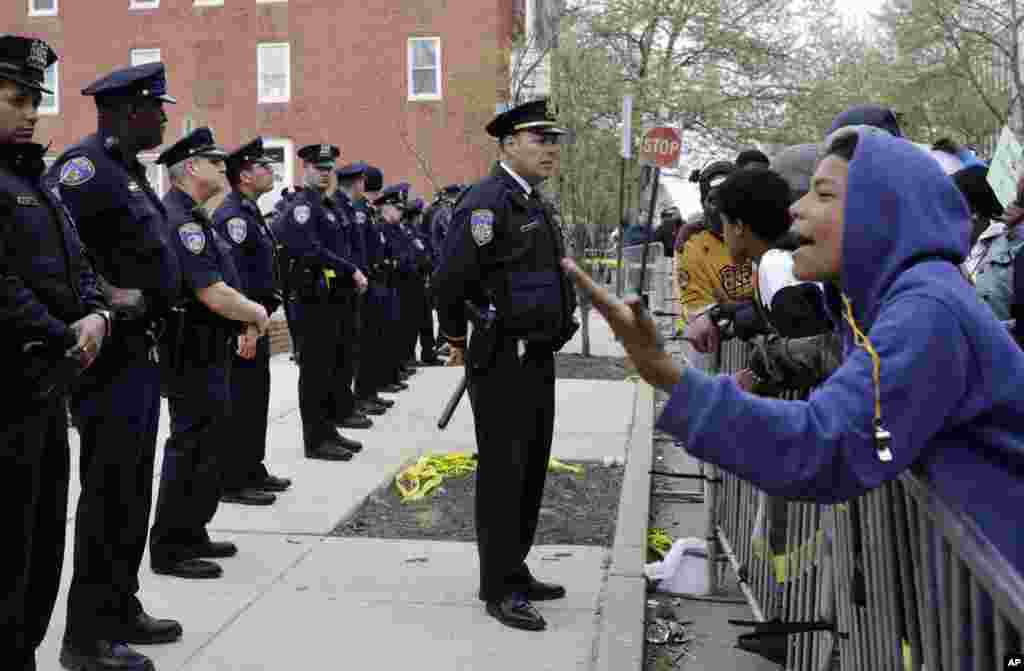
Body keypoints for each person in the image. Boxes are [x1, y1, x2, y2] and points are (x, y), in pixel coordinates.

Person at [565, 126, 1024, 575]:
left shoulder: (926, 310)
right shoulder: (880, 302)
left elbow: (823, 444)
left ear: (881, 212)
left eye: (822, 195)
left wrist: (668, 375)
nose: (796, 210)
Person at [51, 61, 184, 671]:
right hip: (109, 360)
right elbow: (53, 249)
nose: (164, 116)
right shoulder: (82, 171)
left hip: (142, 354)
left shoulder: (128, 172)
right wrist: (106, 298)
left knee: (132, 493)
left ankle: (121, 605)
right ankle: (86, 637)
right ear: (128, 111)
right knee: (108, 493)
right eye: (157, 107)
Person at [433, 98, 579, 632]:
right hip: (502, 358)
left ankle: (514, 567)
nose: (551, 148)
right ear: (509, 143)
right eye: (540, 139)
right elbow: (450, 280)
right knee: (504, 472)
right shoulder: (487, 201)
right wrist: (456, 337)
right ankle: (498, 588)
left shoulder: (530, 201)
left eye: (554, 140)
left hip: (536, 355)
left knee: (531, 466)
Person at [0, 36, 110, 671]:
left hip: (45, 391)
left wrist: (92, 312)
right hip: (8, 391)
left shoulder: (35, 180)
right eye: (15, 98)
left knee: (42, 549)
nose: (29, 112)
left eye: (34, 100)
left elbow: (78, 264)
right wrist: (64, 331)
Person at [148, 128, 269, 581]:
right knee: (191, 444)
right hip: (190, 348)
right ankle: (170, 546)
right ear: (192, 168)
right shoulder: (179, 219)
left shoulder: (196, 216)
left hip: (210, 346)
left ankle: (193, 530)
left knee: (209, 443)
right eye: (216, 162)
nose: (225, 169)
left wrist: (242, 321)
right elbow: (209, 291)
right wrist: (254, 313)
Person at [214, 137, 293, 505]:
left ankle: (251, 467)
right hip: (244, 325)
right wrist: (246, 324)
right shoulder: (232, 216)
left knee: (255, 397)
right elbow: (236, 278)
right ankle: (233, 478)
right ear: (244, 175)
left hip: (256, 322)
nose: (270, 171)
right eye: (263, 166)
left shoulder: (249, 211)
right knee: (242, 400)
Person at [276, 143, 368, 460]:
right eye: (318, 167)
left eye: (328, 168)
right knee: (315, 373)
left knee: (330, 369)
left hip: (332, 300)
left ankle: (328, 430)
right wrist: (351, 269)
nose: (324, 172)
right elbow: (309, 250)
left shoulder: (325, 206)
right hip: (312, 300)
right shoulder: (303, 206)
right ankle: (315, 440)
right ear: (305, 169)